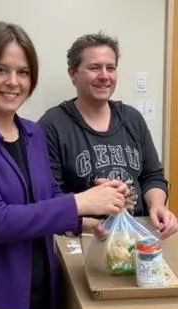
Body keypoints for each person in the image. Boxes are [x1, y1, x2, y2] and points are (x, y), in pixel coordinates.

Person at [0, 22, 126, 309]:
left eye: (23, 72)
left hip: (42, 293)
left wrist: (88, 213)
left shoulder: (33, 133)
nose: (13, 81)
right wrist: (79, 202)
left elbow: (46, 195)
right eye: (1, 69)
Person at [39, 33, 177, 240]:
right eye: (94, 68)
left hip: (136, 232)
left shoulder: (132, 118)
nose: (105, 75)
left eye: (110, 68)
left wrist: (157, 206)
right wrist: (93, 202)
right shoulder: (52, 125)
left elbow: (152, 176)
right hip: (84, 237)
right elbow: (49, 198)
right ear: (72, 74)